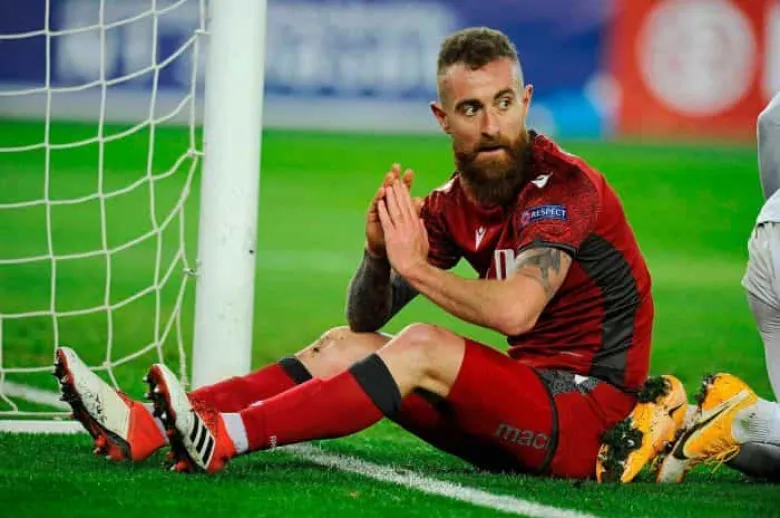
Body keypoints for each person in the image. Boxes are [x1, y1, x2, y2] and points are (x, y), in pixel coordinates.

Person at [55, 27, 682, 480]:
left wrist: (416, 267)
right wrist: (379, 256)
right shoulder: (451, 204)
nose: (491, 125)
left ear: (525, 100)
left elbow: (518, 311)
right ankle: (153, 425)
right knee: (343, 345)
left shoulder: (564, 187)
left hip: (595, 422)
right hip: (521, 411)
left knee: (423, 343)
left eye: (503, 103)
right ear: (442, 118)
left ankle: (223, 438)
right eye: (471, 108)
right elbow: (364, 319)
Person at [656, 94, 780, 483]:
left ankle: (684, 423)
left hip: (767, 238)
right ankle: (745, 417)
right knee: (763, 421)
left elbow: (770, 122)